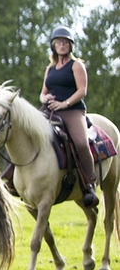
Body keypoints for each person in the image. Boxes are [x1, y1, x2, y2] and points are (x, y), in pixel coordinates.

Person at [40, 25, 98, 208]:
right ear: (54, 46)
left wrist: (64, 104)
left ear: (70, 45)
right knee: (26, 132)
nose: (62, 45)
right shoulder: (50, 69)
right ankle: (11, 178)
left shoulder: (76, 65)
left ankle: (90, 184)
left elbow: (82, 90)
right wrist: (45, 98)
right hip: (50, 110)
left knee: (81, 142)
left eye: (65, 42)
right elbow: (42, 93)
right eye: (58, 42)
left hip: (73, 110)